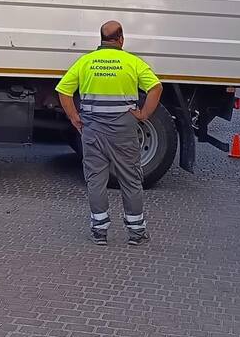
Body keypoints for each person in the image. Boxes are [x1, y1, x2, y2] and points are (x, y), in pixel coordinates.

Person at [57, 21, 163, 246]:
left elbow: (64, 91)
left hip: (93, 129)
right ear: (121, 39)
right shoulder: (132, 62)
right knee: (131, 179)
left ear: (101, 39)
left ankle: (99, 230)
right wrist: (143, 114)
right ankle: (136, 233)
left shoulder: (85, 62)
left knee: (96, 179)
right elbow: (156, 88)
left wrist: (75, 118)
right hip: (123, 130)